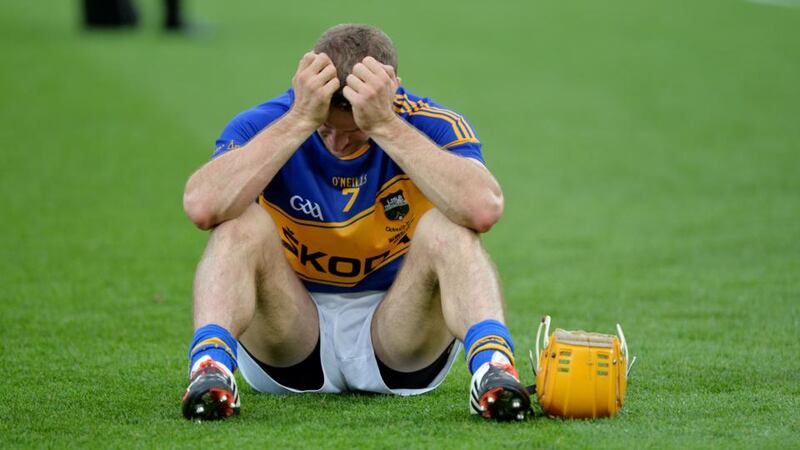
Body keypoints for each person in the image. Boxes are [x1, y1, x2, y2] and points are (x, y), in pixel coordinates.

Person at [180, 24, 530, 422]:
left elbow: (483, 208)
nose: (337, 144)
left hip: (400, 332)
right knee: (238, 224)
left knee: (450, 227)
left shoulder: (430, 122)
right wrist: (299, 120)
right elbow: (202, 206)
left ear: (391, 91)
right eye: (325, 127)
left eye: (355, 131)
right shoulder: (273, 121)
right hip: (290, 333)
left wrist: (384, 125)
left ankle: (494, 371)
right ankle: (210, 371)